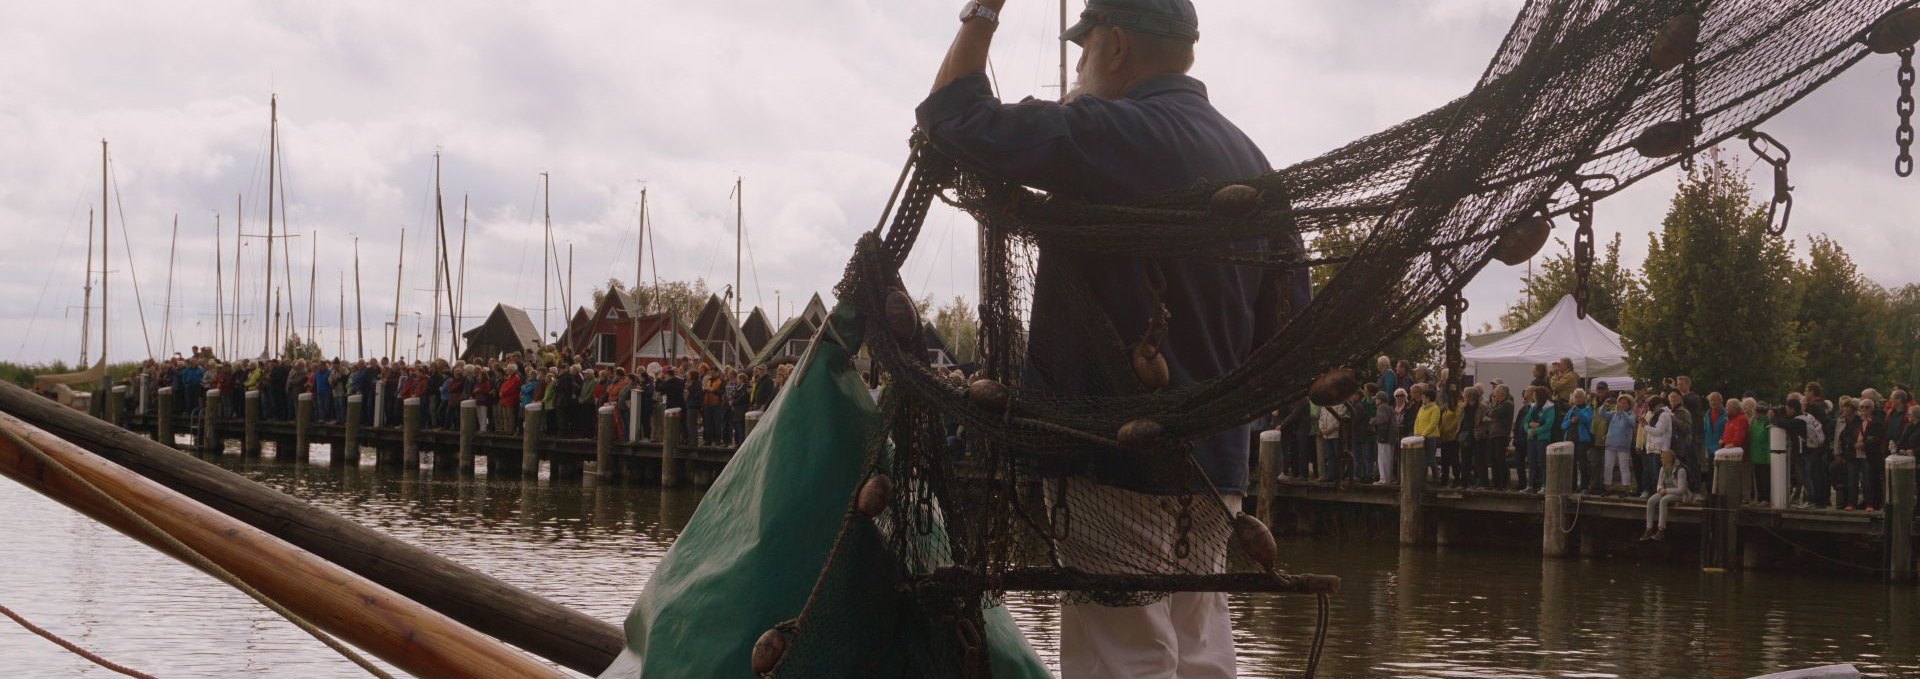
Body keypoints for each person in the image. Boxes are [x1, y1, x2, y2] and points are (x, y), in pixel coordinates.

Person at [917, 0, 1301, 673]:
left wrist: (983, 10)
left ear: (1116, 47)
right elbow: (1288, 331)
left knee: (1123, 659)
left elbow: (950, 115)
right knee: (1201, 653)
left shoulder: (1108, 129)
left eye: (1085, 46)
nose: (1080, 62)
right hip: (1217, 475)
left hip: (1113, 463)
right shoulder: (1254, 161)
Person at [1640, 449, 1691, 541]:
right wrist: (1660, 489)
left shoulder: (1680, 470)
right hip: (1665, 491)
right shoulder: (1662, 469)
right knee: (1651, 501)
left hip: (1677, 494)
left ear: (1668, 459)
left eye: (1662, 458)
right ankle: (1649, 529)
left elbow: (1681, 490)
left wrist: (1666, 490)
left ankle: (1661, 530)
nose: (1661, 460)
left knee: (1663, 500)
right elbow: (1659, 483)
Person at [1524, 387, 1556, 494]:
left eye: (1534, 394)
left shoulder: (1550, 407)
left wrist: (1535, 431)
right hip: (1531, 439)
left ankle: (1544, 485)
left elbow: (1548, 424)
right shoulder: (1532, 407)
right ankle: (1530, 485)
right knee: (1531, 462)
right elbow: (1526, 420)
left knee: (1542, 463)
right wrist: (1528, 429)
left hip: (1542, 439)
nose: (1533, 396)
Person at [1563, 389, 1596, 493]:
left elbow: (1587, 419)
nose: (1577, 399)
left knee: (1583, 464)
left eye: (1579, 397)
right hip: (1570, 439)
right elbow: (1563, 425)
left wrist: (1577, 412)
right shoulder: (1570, 410)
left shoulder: (1588, 409)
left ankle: (1584, 486)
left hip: (1582, 440)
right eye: (1575, 397)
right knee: (1571, 464)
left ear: (1584, 398)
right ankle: (1572, 486)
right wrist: (1570, 421)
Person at [1603, 394, 1637, 494]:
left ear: (1629, 405)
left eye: (1624, 403)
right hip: (1610, 444)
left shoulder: (1631, 414)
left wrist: (1623, 412)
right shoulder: (1614, 413)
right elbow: (1603, 414)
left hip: (1623, 445)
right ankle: (1607, 486)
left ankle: (1625, 487)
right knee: (1608, 466)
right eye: (1620, 402)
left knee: (1624, 467)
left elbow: (1631, 423)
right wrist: (1604, 405)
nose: (1621, 404)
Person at [1484, 385, 1515, 490]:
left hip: (1501, 435)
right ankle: (1495, 482)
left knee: (1500, 459)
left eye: (1495, 392)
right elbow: (1487, 413)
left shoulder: (1507, 404)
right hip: (1493, 434)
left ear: (1501, 393)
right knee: (1493, 460)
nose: (1493, 394)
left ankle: (1503, 482)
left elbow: (1493, 413)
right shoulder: (1498, 403)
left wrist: (1493, 404)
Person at [1370, 390, 1399, 485]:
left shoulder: (1381, 408)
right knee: (1389, 458)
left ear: (1380, 399)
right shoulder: (1390, 408)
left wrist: (1373, 421)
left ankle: (1383, 479)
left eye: (1376, 399)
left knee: (1383, 458)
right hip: (1391, 437)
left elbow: (1383, 420)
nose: (1375, 401)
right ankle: (1388, 478)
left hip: (1384, 436)